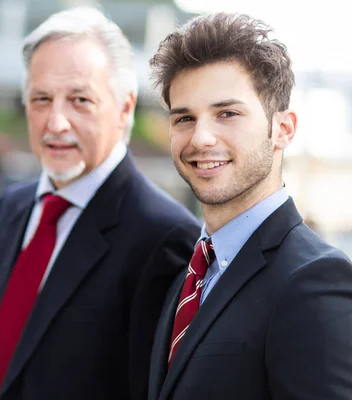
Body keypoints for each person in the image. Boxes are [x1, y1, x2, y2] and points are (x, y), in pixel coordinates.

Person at [0, 7, 200, 400]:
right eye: (41, 99)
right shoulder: (12, 207)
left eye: (80, 100)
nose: (56, 122)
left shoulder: (164, 236)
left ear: (124, 107)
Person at [147, 12, 352, 400]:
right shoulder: (190, 274)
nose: (202, 137)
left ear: (283, 129)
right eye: (185, 118)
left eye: (228, 113)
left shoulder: (314, 279)